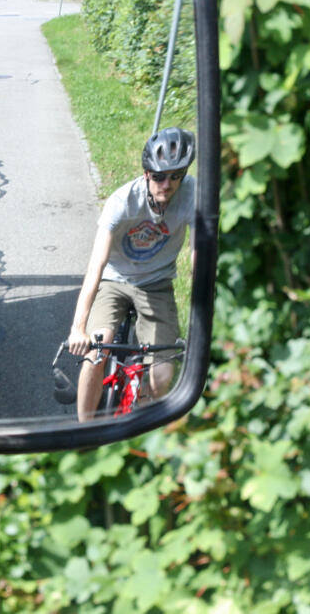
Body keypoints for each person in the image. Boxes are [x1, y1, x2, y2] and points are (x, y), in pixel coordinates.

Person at [66, 126, 196, 422]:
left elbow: (198, 255)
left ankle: (141, 425)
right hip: (114, 280)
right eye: (160, 176)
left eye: (176, 176)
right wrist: (78, 328)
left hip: (156, 284)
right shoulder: (122, 201)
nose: (168, 184)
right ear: (146, 173)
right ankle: (84, 430)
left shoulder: (191, 194)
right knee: (96, 352)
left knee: (162, 375)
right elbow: (96, 266)